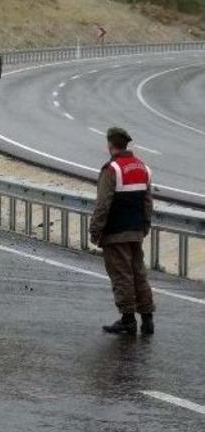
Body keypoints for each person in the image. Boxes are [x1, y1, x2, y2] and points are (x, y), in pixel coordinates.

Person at [89, 127, 155, 335]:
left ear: (110, 144)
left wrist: (95, 230)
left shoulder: (112, 169)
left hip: (115, 233)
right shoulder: (142, 167)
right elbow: (147, 202)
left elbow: (103, 205)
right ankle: (147, 319)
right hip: (136, 231)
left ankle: (128, 319)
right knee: (138, 274)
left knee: (122, 275)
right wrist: (144, 226)